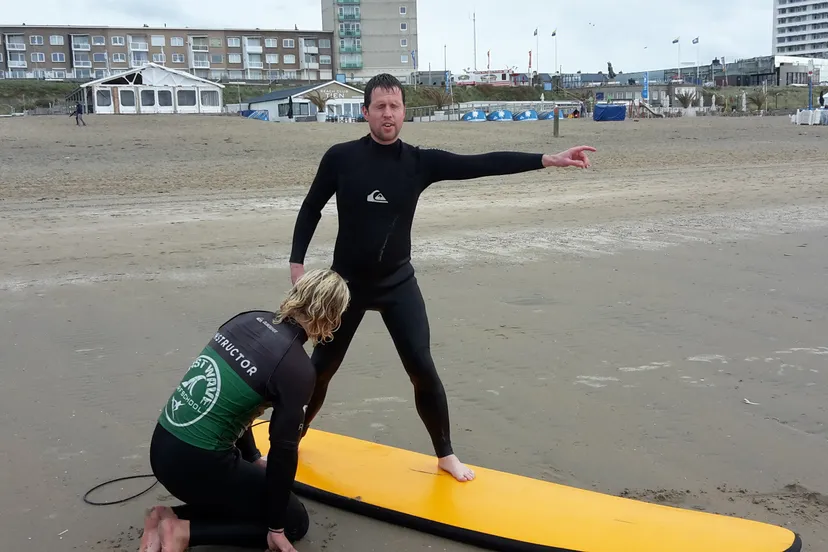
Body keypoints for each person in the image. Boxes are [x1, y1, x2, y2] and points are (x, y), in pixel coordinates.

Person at [288, 73, 596, 483]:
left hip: (398, 283)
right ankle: (293, 437)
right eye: (379, 106)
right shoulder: (341, 158)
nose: (387, 113)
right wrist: (297, 264)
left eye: (395, 106)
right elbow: (311, 208)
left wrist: (547, 159)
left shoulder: (419, 163)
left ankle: (446, 455)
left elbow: (483, 164)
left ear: (403, 113)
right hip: (346, 286)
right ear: (365, 112)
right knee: (321, 367)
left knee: (421, 366)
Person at [139, 268, 351, 552]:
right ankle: (184, 531)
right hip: (195, 466)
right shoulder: (297, 369)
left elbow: (233, 399)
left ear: (296, 294)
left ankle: (169, 515)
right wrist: (276, 526)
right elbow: (283, 451)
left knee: (253, 487)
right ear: (332, 318)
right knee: (294, 521)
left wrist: (251, 457)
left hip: (162, 447)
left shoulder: (246, 319)